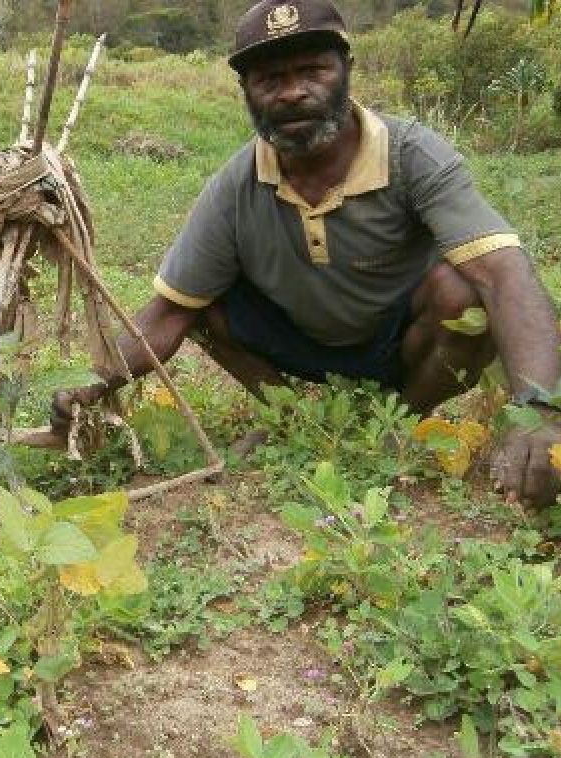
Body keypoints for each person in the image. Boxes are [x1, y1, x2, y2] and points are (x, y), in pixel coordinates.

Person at [53, 0, 561, 508]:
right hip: (299, 346)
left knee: (466, 295)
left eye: (313, 69)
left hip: (401, 344)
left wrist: (539, 410)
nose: (293, 92)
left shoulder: (415, 157)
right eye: (269, 78)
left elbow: (504, 274)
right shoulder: (236, 186)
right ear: (246, 92)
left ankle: (398, 421)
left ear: (346, 71)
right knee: (198, 299)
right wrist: (88, 384)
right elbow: (165, 316)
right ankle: (294, 422)